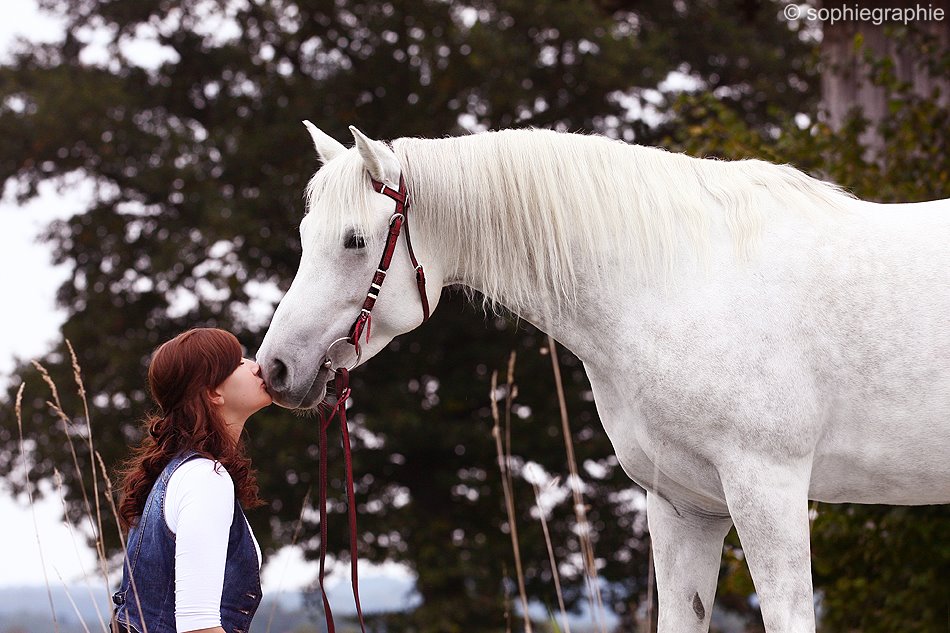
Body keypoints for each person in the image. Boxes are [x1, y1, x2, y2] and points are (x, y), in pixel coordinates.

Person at [111, 328, 273, 633]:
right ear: (213, 393)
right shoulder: (204, 478)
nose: (256, 365)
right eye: (238, 363)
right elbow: (198, 626)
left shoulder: (176, 472)